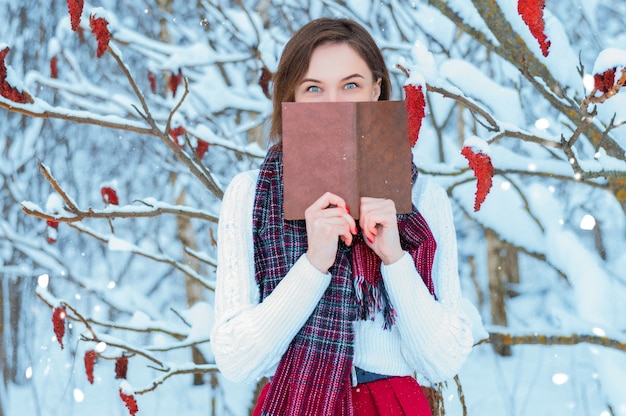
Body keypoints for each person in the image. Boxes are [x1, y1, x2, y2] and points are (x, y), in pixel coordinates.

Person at [211, 17, 474, 416]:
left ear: (376, 88)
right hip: (297, 400)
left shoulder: (422, 197)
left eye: (350, 85)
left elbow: (443, 360)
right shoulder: (252, 194)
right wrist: (313, 265)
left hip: (394, 405)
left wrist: (394, 258)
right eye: (314, 88)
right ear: (292, 99)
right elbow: (237, 361)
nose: (333, 102)